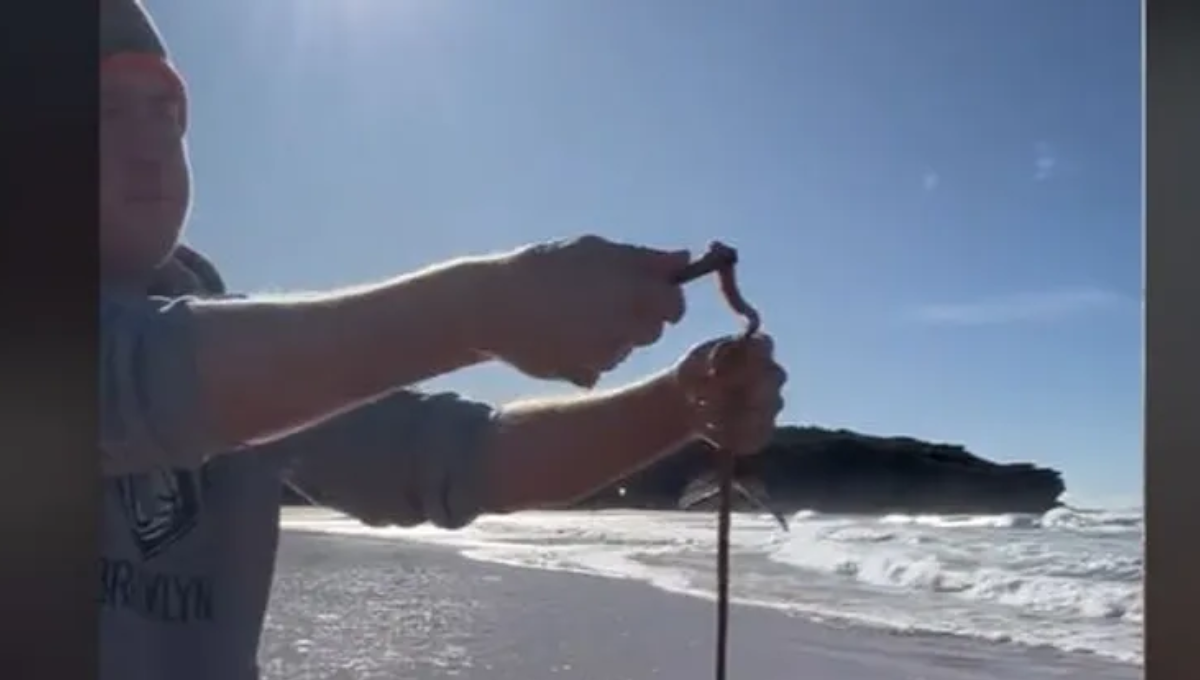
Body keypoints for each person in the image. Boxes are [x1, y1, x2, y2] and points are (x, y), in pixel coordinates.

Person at [98, 1, 787, 679]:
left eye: (165, 109)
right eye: (101, 107)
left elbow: (465, 458)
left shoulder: (251, 367)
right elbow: (142, 379)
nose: (151, 137)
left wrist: (677, 404)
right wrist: (479, 308)